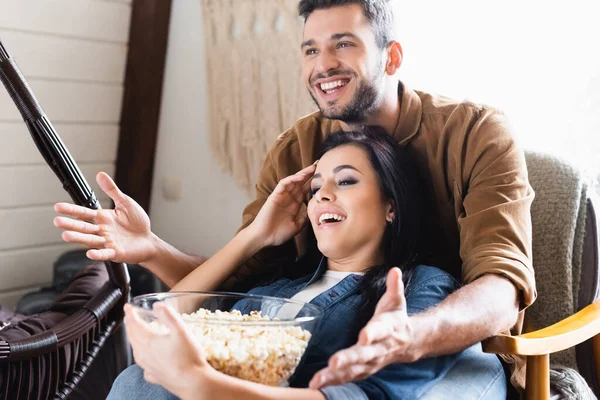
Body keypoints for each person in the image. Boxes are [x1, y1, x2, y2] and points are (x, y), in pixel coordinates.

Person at [54, 0, 535, 394]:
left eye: (343, 45)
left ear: (391, 58)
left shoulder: (476, 133)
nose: (322, 65)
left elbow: (503, 286)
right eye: (310, 50)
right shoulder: (296, 150)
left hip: (449, 344)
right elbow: (237, 283)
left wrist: (409, 334)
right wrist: (152, 250)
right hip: (313, 344)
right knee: (141, 383)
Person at [105, 129, 506, 399]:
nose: (322, 196)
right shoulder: (280, 284)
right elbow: (166, 317)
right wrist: (255, 235)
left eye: (346, 181)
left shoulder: (417, 289)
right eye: (315, 189)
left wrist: (200, 383)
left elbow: (360, 397)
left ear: (391, 207)